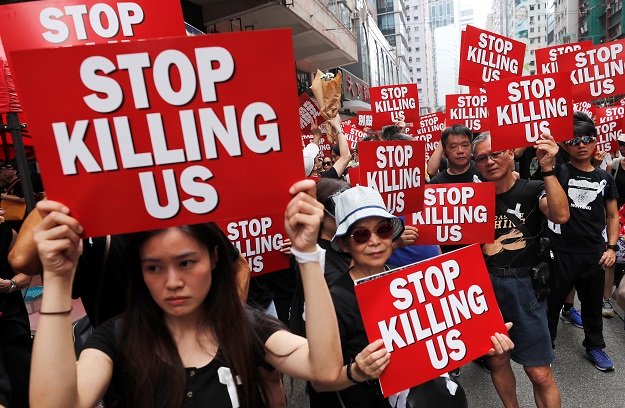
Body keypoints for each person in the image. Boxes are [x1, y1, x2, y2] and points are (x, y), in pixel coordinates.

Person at [29, 179, 344, 408]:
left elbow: (326, 369)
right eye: (154, 267)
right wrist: (57, 278)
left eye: (186, 262)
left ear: (214, 259)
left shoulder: (246, 327)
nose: (173, 281)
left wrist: (307, 255)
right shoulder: (116, 338)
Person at [311, 186, 514, 407]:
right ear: (343, 243)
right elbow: (319, 381)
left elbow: (432, 341)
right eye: (361, 234)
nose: (375, 240)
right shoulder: (333, 300)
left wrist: (481, 337)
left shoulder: (406, 281)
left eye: (383, 229)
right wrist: (356, 371)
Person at [473, 131, 569, 408]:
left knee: (538, 371)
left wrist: (548, 169)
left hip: (525, 287)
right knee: (497, 359)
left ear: (511, 152)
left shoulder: (532, 187)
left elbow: (560, 215)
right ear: (476, 164)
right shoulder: (471, 196)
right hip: (485, 287)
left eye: (496, 153)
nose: (490, 161)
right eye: (482, 158)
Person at [546, 112, 619, 372]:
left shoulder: (605, 178)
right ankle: (546, 349)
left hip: (593, 253)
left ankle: (595, 346)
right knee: (552, 304)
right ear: (566, 145)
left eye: (587, 138)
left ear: (595, 142)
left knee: (591, 304)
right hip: (561, 251)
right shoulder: (557, 173)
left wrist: (611, 247)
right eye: (574, 140)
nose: (581, 144)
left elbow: (612, 215)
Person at [0, 207, 31, 408]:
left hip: (10, 321)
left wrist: (9, 285)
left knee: (22, 381)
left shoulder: (6, 233)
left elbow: (26, 274)